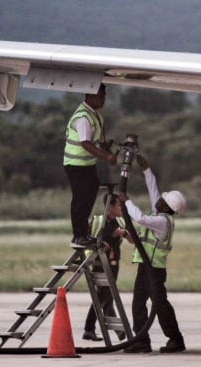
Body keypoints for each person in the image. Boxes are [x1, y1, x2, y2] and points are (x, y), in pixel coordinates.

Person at [119, 155, 187, 354]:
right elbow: (153, 190)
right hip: (148, 266)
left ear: (167, 207)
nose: (158, 200)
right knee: (143, 303)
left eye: (163, 201)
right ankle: (143, 340)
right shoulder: (162, 215)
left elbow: (139, 218)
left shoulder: (161, 221)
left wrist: (127, 201)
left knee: (158, 304)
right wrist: (146, 170)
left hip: (153, 269)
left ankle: (173, 339)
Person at [63, 84, 117, 249]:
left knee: (90, 193)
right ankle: (78, 235)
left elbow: (98, 142)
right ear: (91, 95)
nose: (103, 100)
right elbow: (85, 143)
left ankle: (83, 233)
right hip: (76, 164)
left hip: (87, 164)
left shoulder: (97, 117)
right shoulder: (83, 117)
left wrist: (107, 147)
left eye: (104, 96)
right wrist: (106, 156)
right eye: (101, 96)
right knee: (80, 198)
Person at [82, 193, 132, 342]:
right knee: (104, 297)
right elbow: (87, 240)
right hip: (99, 263)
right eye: (118, 205)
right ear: (109, 207)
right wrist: (103, 242)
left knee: (105, 297)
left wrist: (123, 233)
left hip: (114, 263)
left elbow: (132, 240)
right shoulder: (98, 221)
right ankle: (90, 328)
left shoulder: (120, 221)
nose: (121, 208)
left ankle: (96, 330)